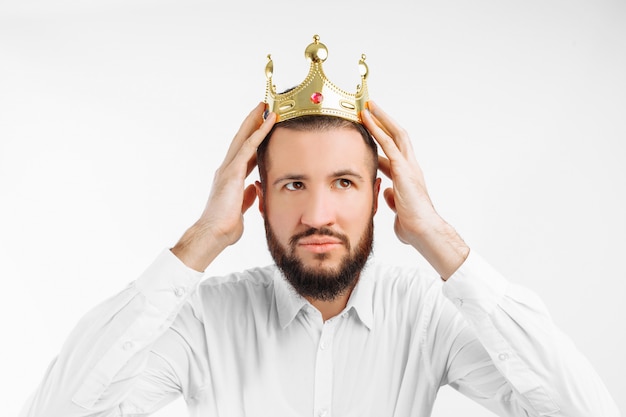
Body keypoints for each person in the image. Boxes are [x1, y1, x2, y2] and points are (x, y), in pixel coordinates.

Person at [20, 38, 620, 417]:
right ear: (256, 199)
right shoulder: (206, 321)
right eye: (293, 185)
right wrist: (201, 240)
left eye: (343, 183)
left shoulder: (423, 315)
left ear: (380, 195)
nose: (318, 217)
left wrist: (437, 236)